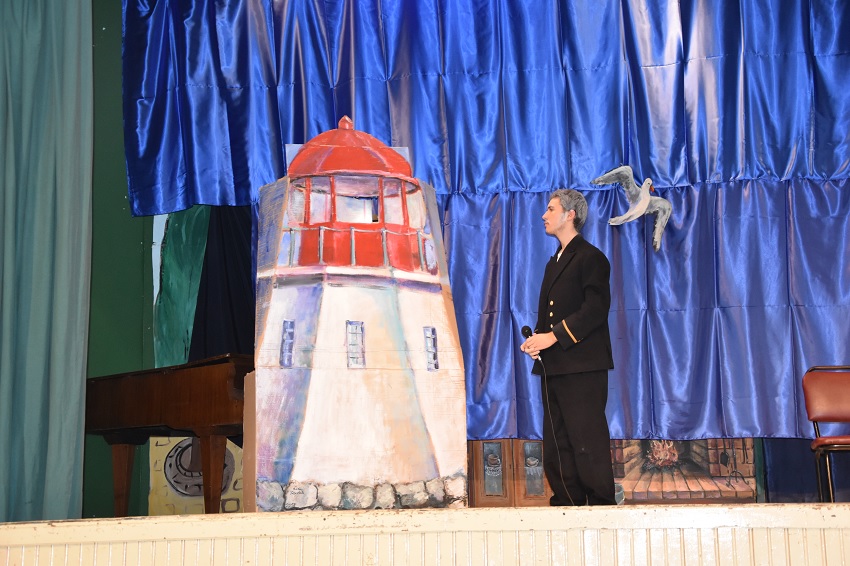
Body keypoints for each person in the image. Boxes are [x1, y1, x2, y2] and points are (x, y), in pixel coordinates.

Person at [520, 189, 616, 506]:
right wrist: (537, 340)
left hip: (583, 365)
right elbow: (550, 315)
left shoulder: (591, 257)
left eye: (551, 209)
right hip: (555, 364)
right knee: (557, 442)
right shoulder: (554, 262)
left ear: (570, 214)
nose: (544, 215)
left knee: (586, 440)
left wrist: (553, 336)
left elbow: (595, 310)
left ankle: (601, 506)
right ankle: (568, 502)